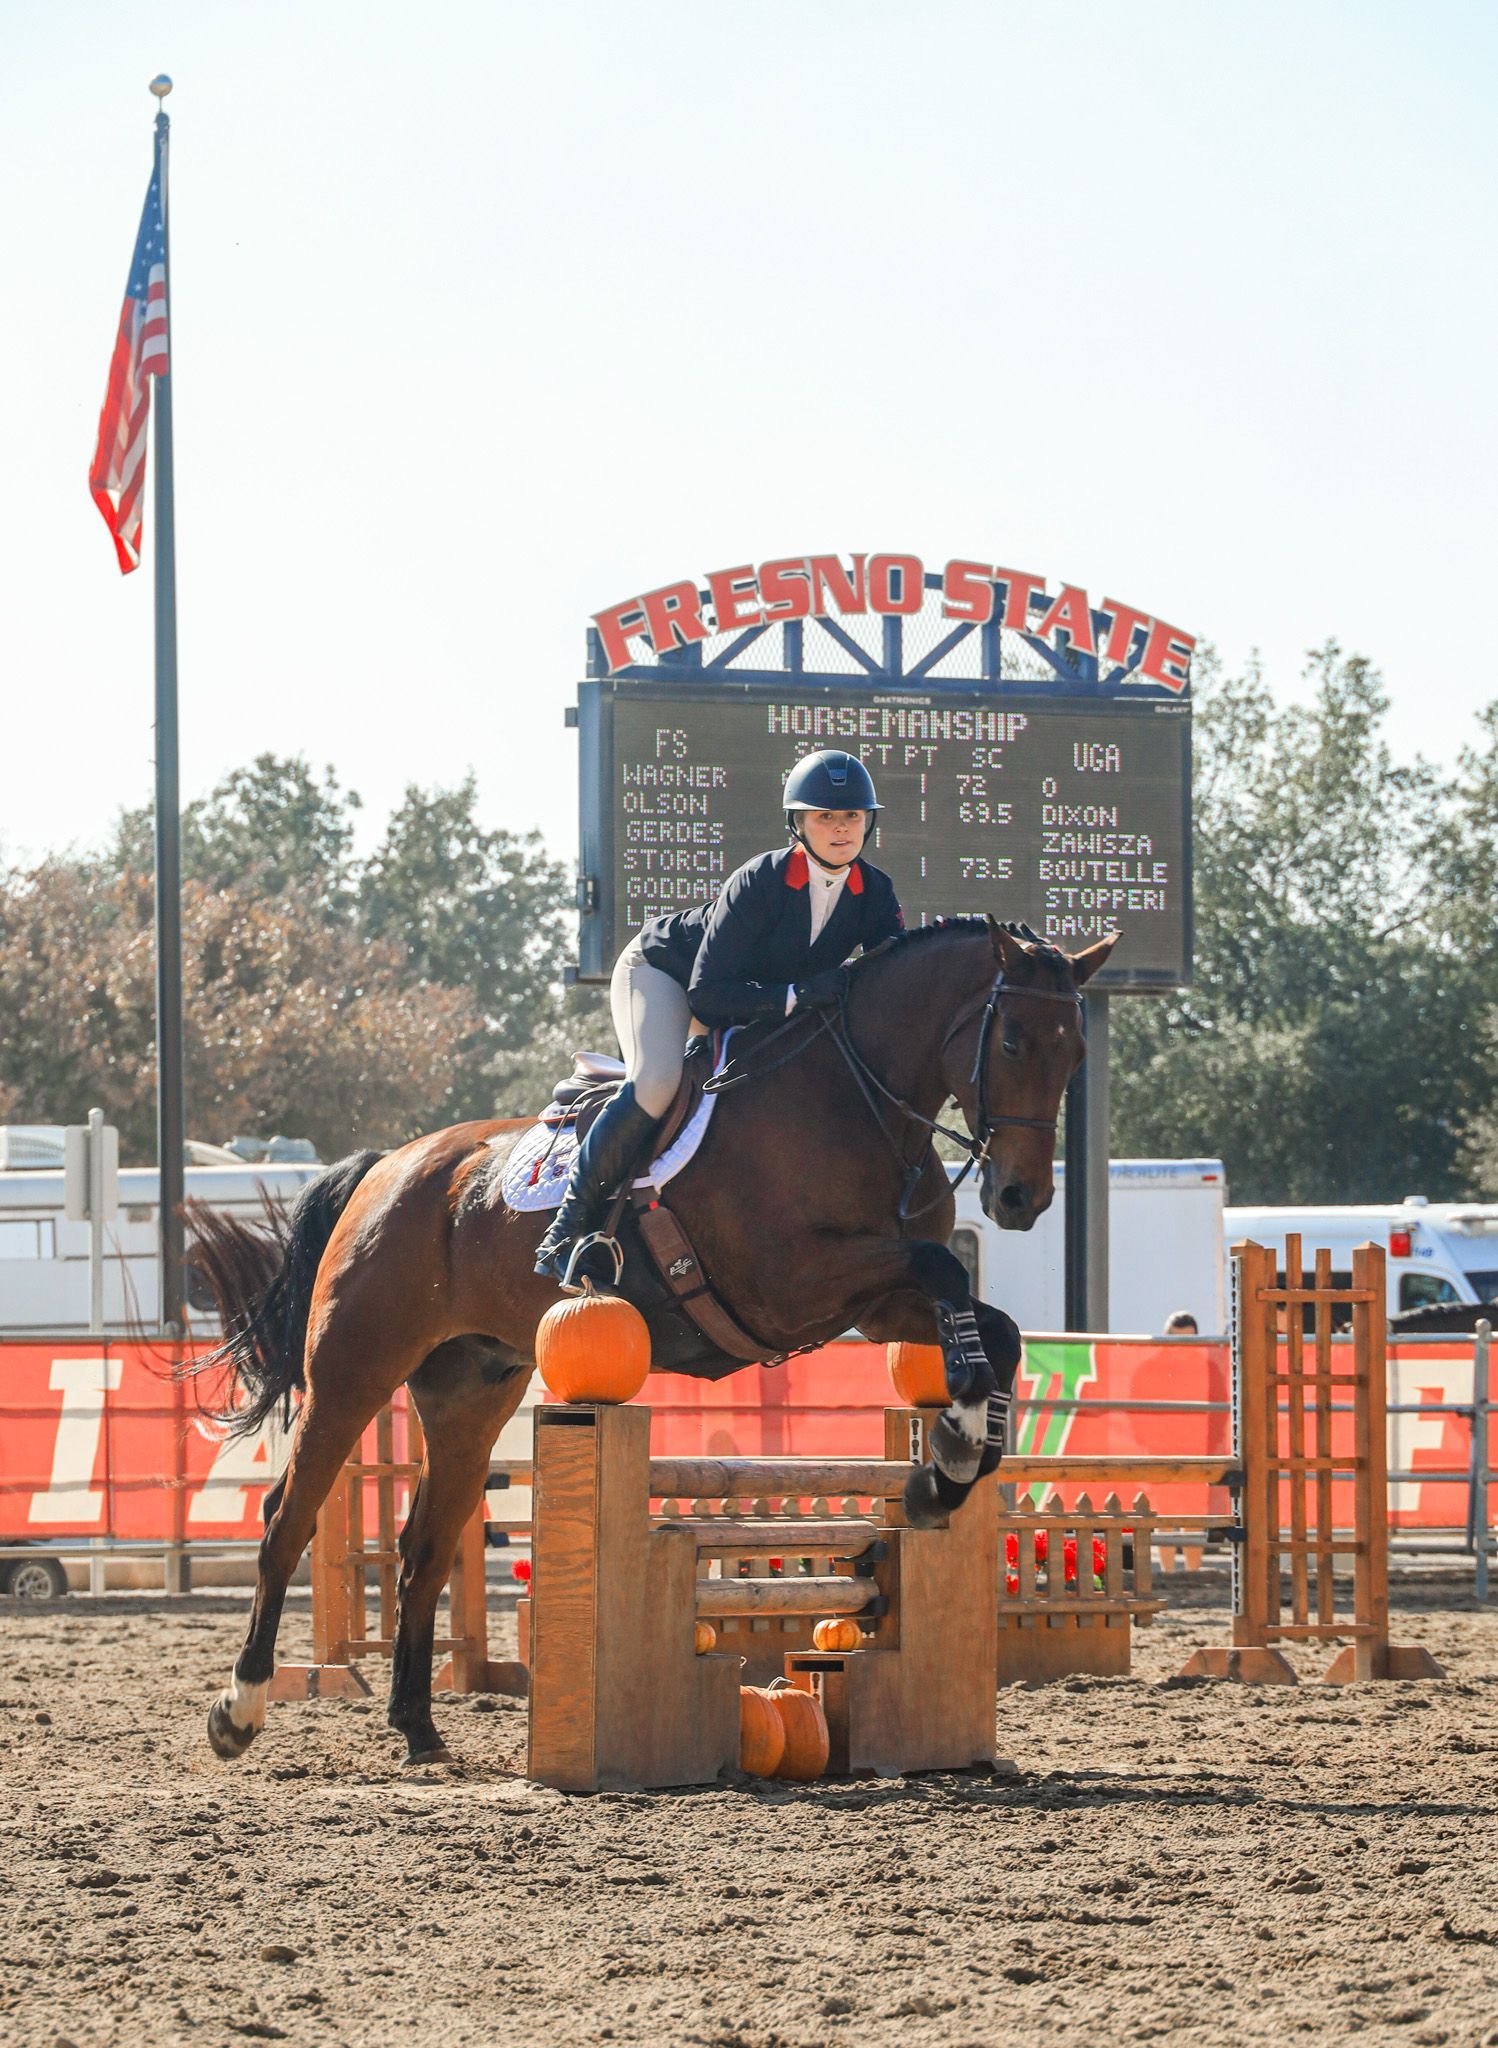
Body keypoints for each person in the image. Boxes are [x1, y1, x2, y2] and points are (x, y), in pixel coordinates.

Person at [534, 749, 905, 1286]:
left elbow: (886, 983)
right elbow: (706, 998)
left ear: (868, 822)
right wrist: (799, 995)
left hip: (748, 1000)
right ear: (798, 824)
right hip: (665, 975)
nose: (842, 828)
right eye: (825, 816)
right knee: (658, 1081)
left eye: (852, 816)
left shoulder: (875, 892)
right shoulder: (759, 881)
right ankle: (567, 1232)